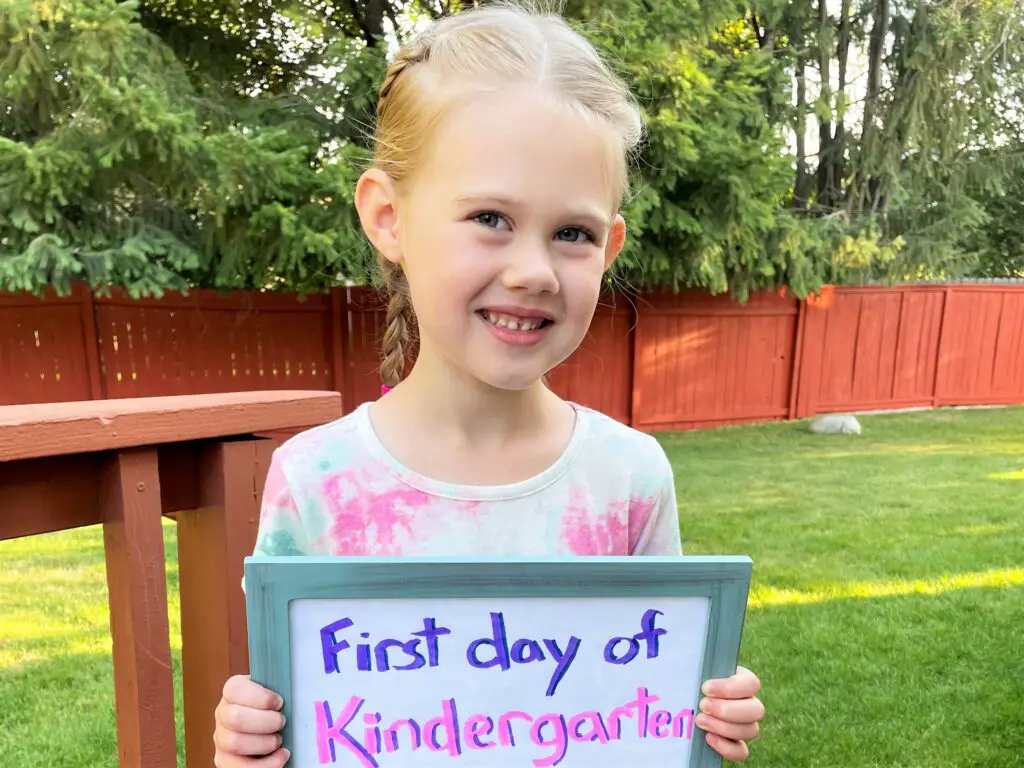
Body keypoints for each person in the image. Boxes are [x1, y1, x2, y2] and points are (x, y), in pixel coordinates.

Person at [213, 3, 765, 766]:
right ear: (388, 216)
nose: (534, 271)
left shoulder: (630, 478)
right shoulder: (315, 482)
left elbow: (647, 698)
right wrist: (253, 740)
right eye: (490, 217)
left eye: (571, 233)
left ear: (609, 248)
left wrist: (703, 706)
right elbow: (295, 709)